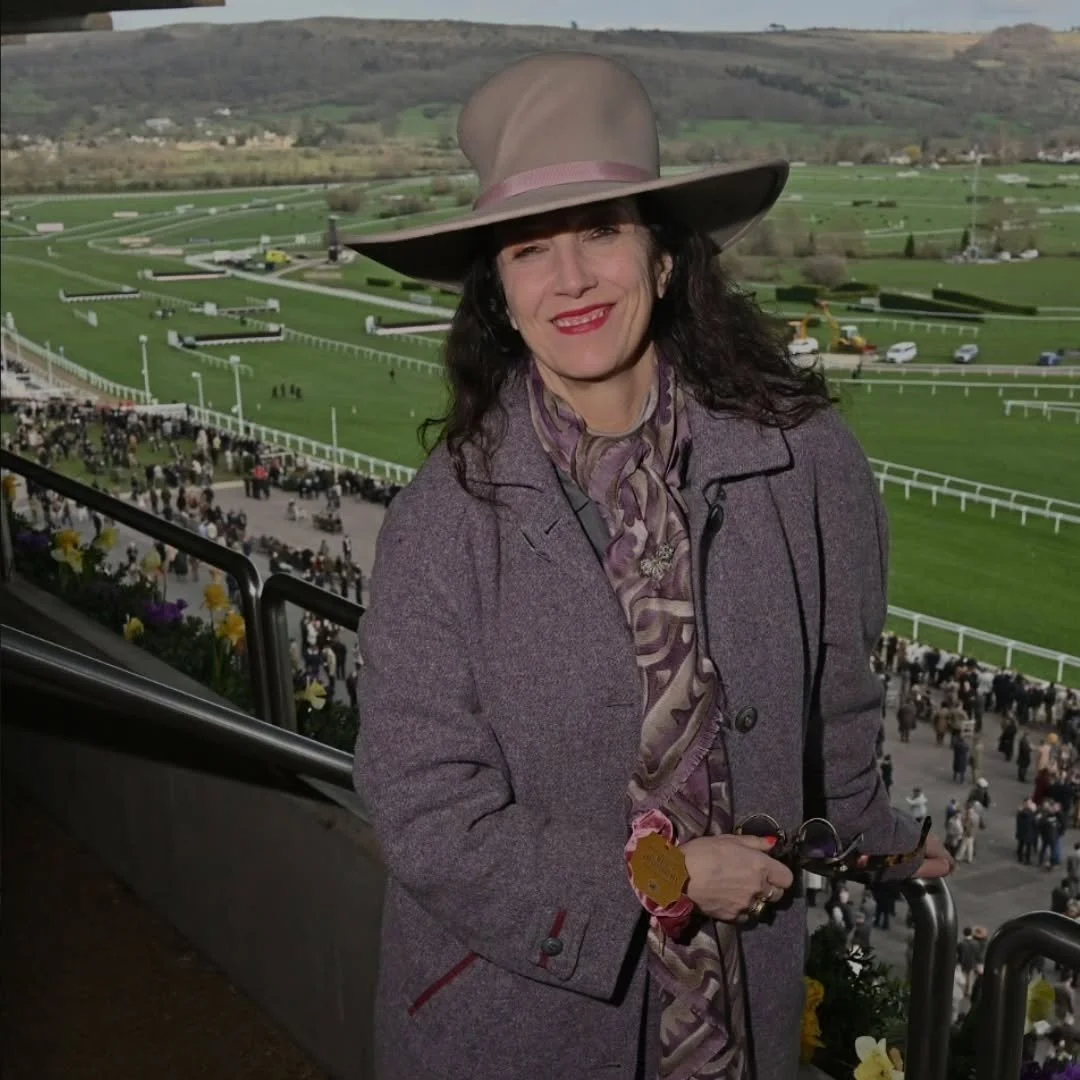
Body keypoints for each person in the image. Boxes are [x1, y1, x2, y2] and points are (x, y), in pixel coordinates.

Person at [350, 52, 953, 1080]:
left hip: (740, 1010)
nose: (571, 278)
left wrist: (880, 840)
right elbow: (425, 811)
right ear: (500, 294)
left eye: (600, 232)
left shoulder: (805, 463)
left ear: (664, 258)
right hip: (515, 1025)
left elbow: (836, 713)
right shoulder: (442, 523)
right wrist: (663, 877)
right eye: (530, 249)